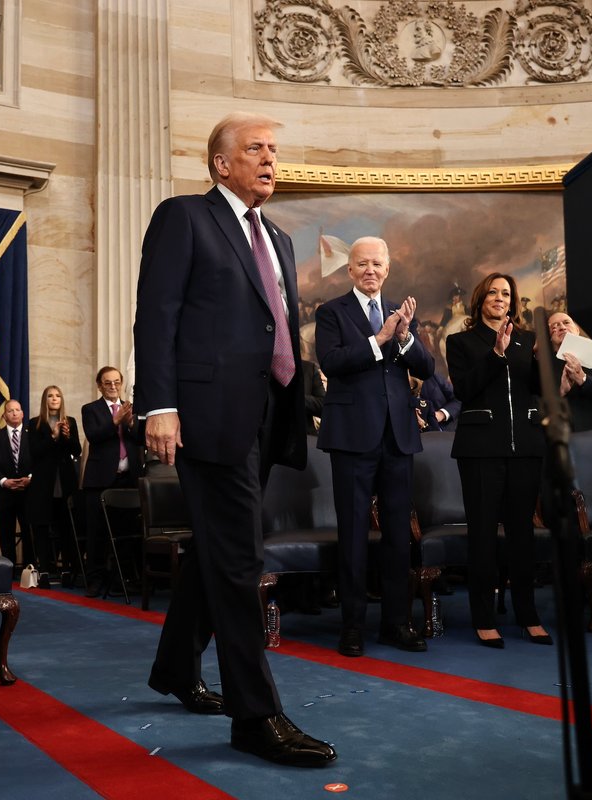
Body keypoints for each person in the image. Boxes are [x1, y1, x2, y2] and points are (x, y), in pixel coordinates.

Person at [134, 111, 336, 767]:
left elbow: (277, 328)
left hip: (266, 418)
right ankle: (255, 715)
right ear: (221, 163)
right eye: (255, 148)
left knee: (221, 550)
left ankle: (173, 667)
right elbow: (156, 315)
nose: (270, 159)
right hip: (205, 415)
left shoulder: (277, 238)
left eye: (275, 149)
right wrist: (158, 405)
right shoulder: (184, 217)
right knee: (242, 561)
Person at [314, 236, 433, 657]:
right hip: (351, 438)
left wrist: (402, 337)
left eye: (376, 264)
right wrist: (378, 339)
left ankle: (396, 623)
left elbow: (426, 367)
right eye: (361, 263)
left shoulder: (402, 313)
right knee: (353, 534)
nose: (369, 270)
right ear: (349, 270)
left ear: (387, 269)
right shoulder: (331, 312)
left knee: (399, 535)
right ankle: (352, 626)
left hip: (397, 437)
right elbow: (331, 362)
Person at [445, 273, 552, 649]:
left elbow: (539, 388)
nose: (499, 298)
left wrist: (556, 367)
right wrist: (497, 354)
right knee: (483, 535)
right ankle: (484, 618)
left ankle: (528, 615)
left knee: (522, 535)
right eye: (493, 292)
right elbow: (464, 388)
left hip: (525, 447)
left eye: (506, 293)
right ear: (480, 300)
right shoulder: (460, 341)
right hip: (480, 450)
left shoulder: (528, 341)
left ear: (513, 301)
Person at [79, 366, 143, 598]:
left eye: (117, 381)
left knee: (125, 531)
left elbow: (140, 439)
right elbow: (93, 435)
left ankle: (121, 579)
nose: (113, 386)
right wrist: (115, 421)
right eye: (108, 383)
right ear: (99, 385)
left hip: (129, 479)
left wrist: (131, 423)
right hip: (99, 480)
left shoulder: (131, 409)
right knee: (97, 534)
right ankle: (95, 580)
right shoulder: (91, 409)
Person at [26, 385, 82, 577]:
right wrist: (53, 436)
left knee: (66, 526)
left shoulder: (70, 422)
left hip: (65, 482)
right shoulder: (35, 424)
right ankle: (44, 568)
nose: (54, 398)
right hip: (43, 483)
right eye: (50, 396)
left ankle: (67, 567)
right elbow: (34, 452)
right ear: (45, 400)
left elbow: (77, 450)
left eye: (58, 395)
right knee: (42, 525)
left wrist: (66, 437)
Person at [545, 311, 592, 431]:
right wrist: (561, 393)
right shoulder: (544, 368)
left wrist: (584, 380)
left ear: (577, 329)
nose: (562, 327)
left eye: (566, 322)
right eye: (554, 326)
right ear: (549, 337)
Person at [0, 399, 33, 578]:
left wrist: (30, 479)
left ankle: (30, 571)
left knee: (29, 532)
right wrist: (4, 481)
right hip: (4, 493)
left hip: (28, 493)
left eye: (17, 410)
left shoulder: (32, 435)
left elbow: (39, 461)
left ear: (22, 414)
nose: (14, 413)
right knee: (6, 534)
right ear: (4, 416)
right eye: (10, 410)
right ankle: (9, 572)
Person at [301, 359, 326, 433]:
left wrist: (299, 398)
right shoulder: (266, 366)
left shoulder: (309, 368)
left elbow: (323, 406)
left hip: (304, 435)